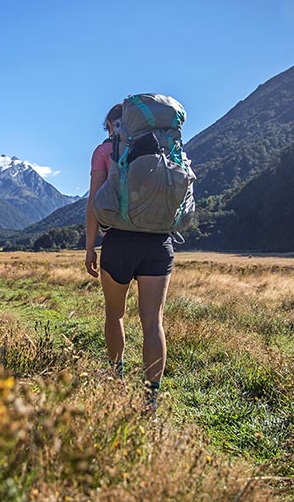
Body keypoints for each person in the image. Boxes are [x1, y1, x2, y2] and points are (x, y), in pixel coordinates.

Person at [85, 103, 174, 414]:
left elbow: (95, 201)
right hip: (159, 242)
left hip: (119, 241)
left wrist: (89, 246)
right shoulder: (164, 147)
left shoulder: (104, 151)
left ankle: (115, 378)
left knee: (115, 314)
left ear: (112, 124)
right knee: (153, 322)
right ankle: (151, 400)